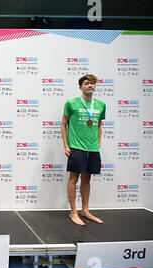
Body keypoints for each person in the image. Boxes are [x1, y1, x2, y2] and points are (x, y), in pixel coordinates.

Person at [61, 74, 105, 225]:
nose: (90, 86)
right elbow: (63, 124)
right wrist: (66, 145)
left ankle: (85, 210)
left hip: (92, 148)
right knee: (74, 178)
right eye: (87, 83)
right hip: (76, 147)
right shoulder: (71, 103)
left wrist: (98, 141)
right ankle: (73, 212)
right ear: (80, 87)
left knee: (87, 179)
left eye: (92, 83)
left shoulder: (100, 104)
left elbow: (99, 124)